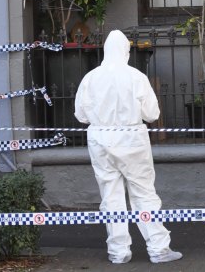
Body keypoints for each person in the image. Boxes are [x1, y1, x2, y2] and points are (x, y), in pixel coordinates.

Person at [74, 30, 182, 264]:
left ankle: (118, 251)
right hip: (131, 138)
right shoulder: (136, 77)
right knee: (143, 192)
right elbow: (152, 114)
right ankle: (159, 248)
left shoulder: (90, 78)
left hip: (100, 139)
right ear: (126, 51)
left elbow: (81, 115)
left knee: (110, 196)